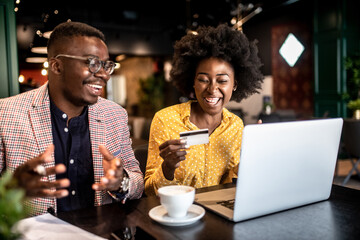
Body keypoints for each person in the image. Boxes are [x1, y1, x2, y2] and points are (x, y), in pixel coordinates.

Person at [0, 21, 144, 216]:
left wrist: (122, 182)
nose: (104, 75)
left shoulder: (115, 115)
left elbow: (138, 181)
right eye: (92, 63)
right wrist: (11, 189)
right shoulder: (6, 114)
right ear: (57, 66)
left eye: (106, 65)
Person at [144, 24, 264, 196]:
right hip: (178, 213)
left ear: (235, 84)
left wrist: (252, 156)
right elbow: (148, 191)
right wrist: (167, 168)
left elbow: (232, 185)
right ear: (193, 81)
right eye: (203, 79)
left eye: (222, 80)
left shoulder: (235, 126)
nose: (212, 89)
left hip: (218, 214)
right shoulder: (165, 120)